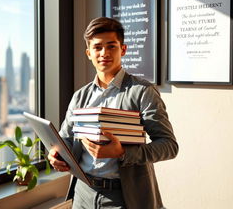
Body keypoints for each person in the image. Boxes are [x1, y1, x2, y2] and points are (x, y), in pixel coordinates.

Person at [48, 17, 178, 209]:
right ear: (88, 53)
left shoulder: (142, 91)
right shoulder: (80, 96)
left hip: (124, 197)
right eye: (97, 47)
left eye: (111, 46)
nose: (104, 53)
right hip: (83, 193)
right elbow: (65, 139)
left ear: (123, 49)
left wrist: (123, 153)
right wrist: (56, 155)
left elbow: (169, 146)